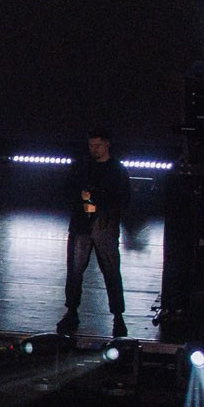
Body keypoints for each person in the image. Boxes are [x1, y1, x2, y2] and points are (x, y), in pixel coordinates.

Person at [60, 127, 132, 338]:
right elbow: (68, 190)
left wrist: (96, 202)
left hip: (103, 225)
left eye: (97, 145)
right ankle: (73, 312)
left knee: (110, 271)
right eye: (91, 145)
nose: (94, 149)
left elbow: (123, 199)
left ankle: (117, 316)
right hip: (84, 225)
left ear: (107, 144)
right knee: (76, 272)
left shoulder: (116, 170)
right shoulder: (82, 166)